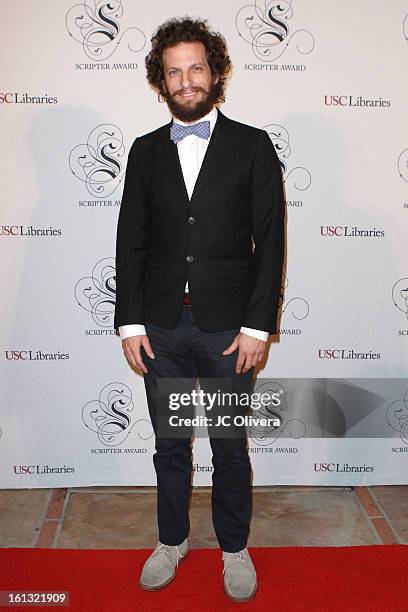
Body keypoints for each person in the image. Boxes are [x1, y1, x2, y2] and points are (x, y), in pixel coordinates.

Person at [114, 16, 285, 603]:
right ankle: (172, 539)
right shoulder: (142, 153)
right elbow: (130, 241)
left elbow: (270, 241)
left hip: (229, 330)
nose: (186, 80)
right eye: (173, 72)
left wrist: (259, 324)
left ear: (216, 73)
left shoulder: (252, 146)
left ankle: (234, 549)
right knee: (169, 443)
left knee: (230, 444)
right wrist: (130, 323)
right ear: (160, 84)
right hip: (160, 326)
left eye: (195, 68)